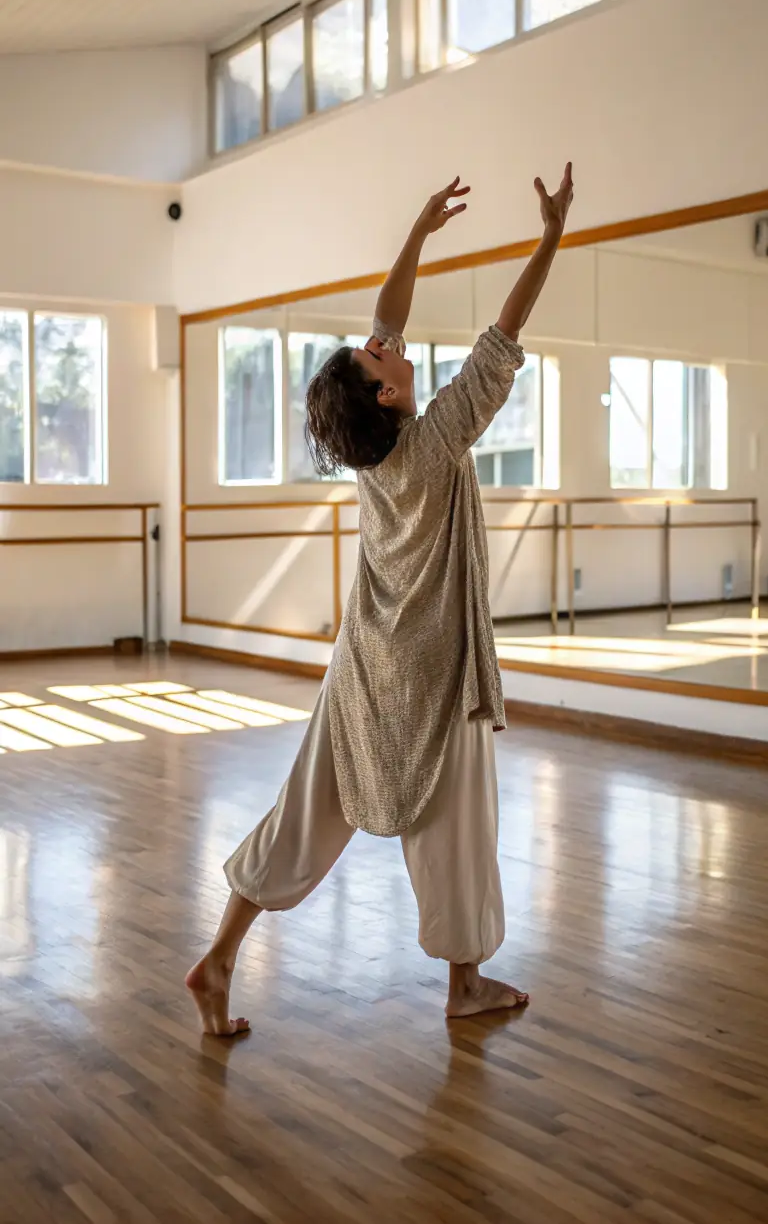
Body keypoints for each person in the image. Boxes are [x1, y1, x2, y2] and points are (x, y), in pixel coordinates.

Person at [186, 164, 574, 1035]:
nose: (386, 340)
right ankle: (466, 982)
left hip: (361, 661)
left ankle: (217, 958)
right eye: (379, 355)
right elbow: (504, 333)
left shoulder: (378, 450)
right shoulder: (433, 441)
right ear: (389, 393)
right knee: (458, 829)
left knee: (304, 811)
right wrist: (549, 238)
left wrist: (418, 231)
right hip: (434, 670)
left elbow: (389, 315)